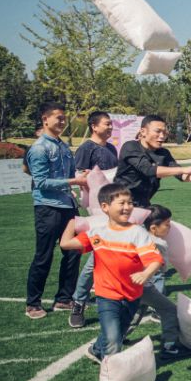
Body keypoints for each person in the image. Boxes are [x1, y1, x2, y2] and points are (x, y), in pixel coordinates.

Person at [58, 183, 162, 362]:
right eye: (122, 203)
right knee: (114, 340)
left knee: (117, 334)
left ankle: (96, 349)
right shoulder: (96, 233)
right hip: (107, 295)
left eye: (130, 203)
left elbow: (155, 260)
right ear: (105, 207)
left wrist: (146, 274)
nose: (127, 207)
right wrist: (71, 222)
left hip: (132, 295)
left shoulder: (137, 232)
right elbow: (65, 244)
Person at [25, 102, 88, 320]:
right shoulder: (39, 148)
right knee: (44, 255)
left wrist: (82, 176)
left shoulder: (63, 147)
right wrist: (73, 180)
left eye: (63, 118)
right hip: (47, 207)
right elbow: (40, 181)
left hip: (68, 206)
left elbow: (71, 174)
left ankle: (64, 298)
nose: (62, 122)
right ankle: (33, 303)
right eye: (58, 118)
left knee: (72, 252)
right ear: (45, 120)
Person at [69, 110, 121, 328]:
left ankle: (113, 296)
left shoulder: (110, 148)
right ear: (94, 126)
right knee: (99, 255)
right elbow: (80, 177)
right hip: (97, 210)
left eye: (111, 124)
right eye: (106, 124)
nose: (110, 128)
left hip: (116, 206)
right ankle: (78, 302)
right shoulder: (86, 148)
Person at [113, 115, 191, 208]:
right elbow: (149, 170)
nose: (162, 136)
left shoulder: (163, 153)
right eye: (158, 131)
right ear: (143, 132)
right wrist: (185, 170)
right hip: (119, 205)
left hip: (142, 204)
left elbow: (176, 170)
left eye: (164, 132)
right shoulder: (130, 147)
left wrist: (190, 176)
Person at [137, 205, 188, 358]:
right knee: (169, 310)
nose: (170, 227)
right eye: (167, 224)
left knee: (134, 313)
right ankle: (169, 345)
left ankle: (110, 341)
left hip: (129, 284)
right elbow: (163, 268)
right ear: (153, 228)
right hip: (146, 286)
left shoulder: (136, 236)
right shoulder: (161, 244)